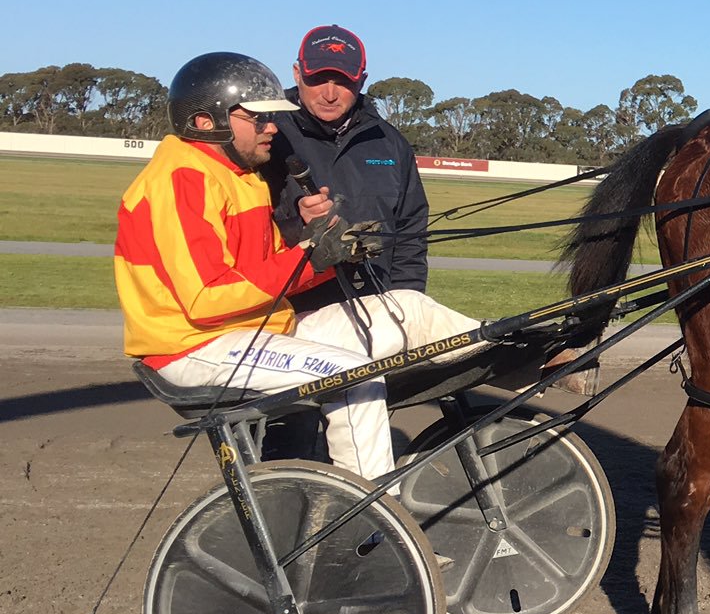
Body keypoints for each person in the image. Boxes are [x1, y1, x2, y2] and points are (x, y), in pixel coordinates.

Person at [115, 52, 401, 479]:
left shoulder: (241, 176)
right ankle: (375, 516)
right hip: (191, 346)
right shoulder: (182, 179)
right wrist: (310, 257)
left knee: (405, 309)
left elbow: (263, 277)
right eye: (259, 119)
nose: (272, 128)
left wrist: (327, 253)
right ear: (206, 121)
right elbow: (207, 297)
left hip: (245, 332)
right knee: (352, 373)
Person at [268, 24, 477, 363]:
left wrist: (404, 306)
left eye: (344, 82)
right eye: (319, 78)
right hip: (292, 318)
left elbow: (410, 234)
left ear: (362, 80)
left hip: (376, 312)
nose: (330, 93)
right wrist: (299, 225)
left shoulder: (390, 142)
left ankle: (517, 355)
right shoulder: (267, 135)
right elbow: (241, 237)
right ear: (297, 72)